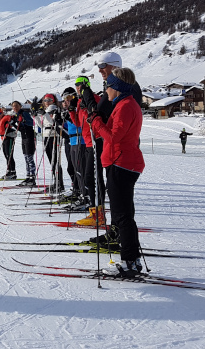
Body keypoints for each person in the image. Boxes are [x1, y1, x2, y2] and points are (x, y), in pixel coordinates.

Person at [87, 68, 145, 277]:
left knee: (122, 216)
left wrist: (96, 122)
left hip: (121, 163)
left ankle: (129, 261)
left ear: (117, 88)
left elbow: (113, 137)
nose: (106, 91)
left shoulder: (126, 106)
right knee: (125, 214)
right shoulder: (125, 104)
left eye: (108, 86)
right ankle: (133, 259)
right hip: (122, 162)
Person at [70, 76, 106, 226]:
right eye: (76, 85)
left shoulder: (95, 98)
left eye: (80, 85)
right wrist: (72, 110)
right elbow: (79, 123)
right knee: (88, 178)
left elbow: (95, 115)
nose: (77, 87)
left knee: (93, 178)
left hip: (96, 140)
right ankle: (95, 211)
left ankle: (98, 214)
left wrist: (86, 106)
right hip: (87, 142)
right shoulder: (80, 102)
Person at [34, 93, 64, 193]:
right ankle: (56, 181)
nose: (47, 102)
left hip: (54, 134)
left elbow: (53, 122)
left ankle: (59, 183)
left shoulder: (55, 109)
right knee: (51, 160)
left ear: (53, 100)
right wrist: (35, 117)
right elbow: (41, 125)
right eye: (45, 100)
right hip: (46, 135)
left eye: (49, 100)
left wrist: (44, 114)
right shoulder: (46, 110)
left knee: (55, 160)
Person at [11, 101, 36, 186]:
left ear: (20, 106)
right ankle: (28, 176)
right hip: (24, 138)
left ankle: (32, 177)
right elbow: (20, 129)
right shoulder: (17, 115)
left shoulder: (24, 113)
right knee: (26, 157)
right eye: (13, 106)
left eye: (16, 106)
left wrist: (23, 121)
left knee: (29, 157)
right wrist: (14, 123)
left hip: (29, 137)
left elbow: (31, 123)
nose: (15, 108)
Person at [0, 107, 18, 180]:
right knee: (6, 155)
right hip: (3, 138)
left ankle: (13, 172)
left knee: (9, 155)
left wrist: (11, 122)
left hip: (9, 137)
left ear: (2, 113)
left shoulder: (6, 117)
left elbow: (13, 118)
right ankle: (9, 171)